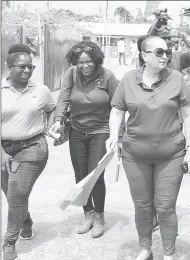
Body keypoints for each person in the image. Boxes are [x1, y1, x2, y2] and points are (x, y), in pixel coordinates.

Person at [106, 36, 190, 260]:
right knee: (142, 206)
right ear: (144, 55)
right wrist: (112, 135)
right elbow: (117, 110)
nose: (165, 56)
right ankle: (145, 249)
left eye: (167, 51)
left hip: (171, 155)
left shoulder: (177, 78)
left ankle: (169, 254)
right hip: (135, 155)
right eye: (158, 52)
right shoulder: (128, 79)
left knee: (165, 207)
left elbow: (187, 115)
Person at [49, 41, 121, 238]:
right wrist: (57, 119)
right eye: (80, 62)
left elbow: (118, 106)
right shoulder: (71, 74)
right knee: (80, 176)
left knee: (94, 175)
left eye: (89, 61)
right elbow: (63, 98)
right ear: (74, 62)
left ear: (96, 60)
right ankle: (87, 214)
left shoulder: (107, 76)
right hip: (77, 131)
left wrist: (118, 135)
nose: (85, 66)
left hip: (101, 131)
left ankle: (99, 217)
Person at [1, 44, 55, 260]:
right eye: (21, 67)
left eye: (30, 67)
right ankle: (25, 220)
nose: (27, 71)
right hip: (3, 150)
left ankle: (9, 243)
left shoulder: (41, 90)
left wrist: (52, 126)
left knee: (16, 196)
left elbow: (51, 109)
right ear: (9, 66)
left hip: (32, 148)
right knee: (12, 194)